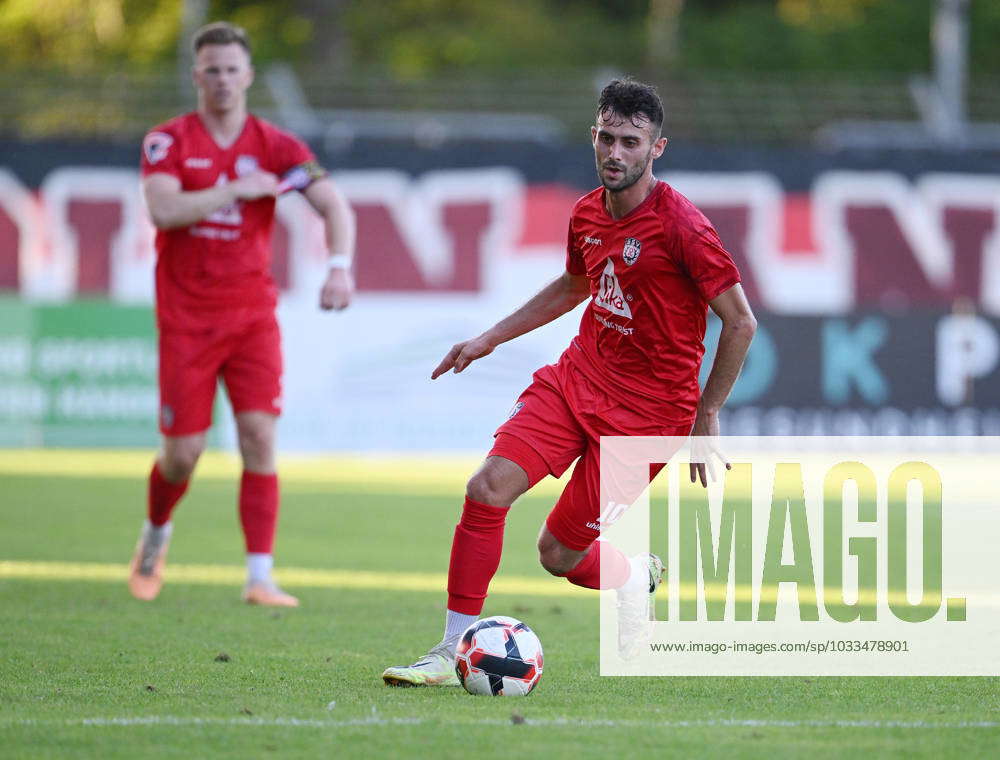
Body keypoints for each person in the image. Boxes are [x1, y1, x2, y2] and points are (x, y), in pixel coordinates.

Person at [382, 78, 755, 684]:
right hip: (576, 380)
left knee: (559, 555)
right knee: (486, 489)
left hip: (648, 421)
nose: (615, 153)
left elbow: (740, 323)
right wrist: (489, 338)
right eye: (606, 138)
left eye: (630, 142)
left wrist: (707, 415)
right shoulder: (587, 213)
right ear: (593, 135)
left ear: (657, 148)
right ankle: (450, 653)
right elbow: (573, 285)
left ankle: (635, 578)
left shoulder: (684, 227)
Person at [127, 21, 356, 607]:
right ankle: (156, 533)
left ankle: (260, 576)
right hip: (186, 319)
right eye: (212, 70)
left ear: (248, 76)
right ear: (196, 75)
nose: (223, 80)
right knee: (184, 455)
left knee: (259, 437)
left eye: (233, 69)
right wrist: (234, 189)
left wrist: (338, 265)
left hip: (252, 316)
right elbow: (164, 209)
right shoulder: (168, 141)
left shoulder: (278, 147)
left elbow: (332, 203)